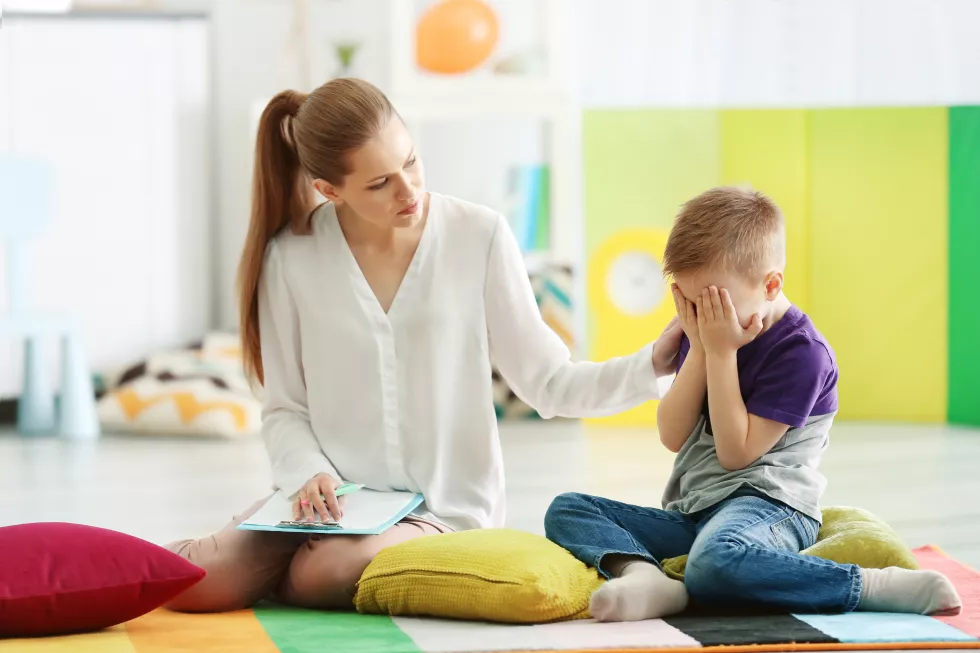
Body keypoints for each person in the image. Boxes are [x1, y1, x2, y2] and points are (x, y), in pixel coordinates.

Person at [164, 78, 683, 613]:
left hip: (441, 508)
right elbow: (285, 410)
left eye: (411, 162)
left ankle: (283, 572)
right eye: (380, 183)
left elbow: (549, 384)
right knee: (195, 583)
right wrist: (308, 474)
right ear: (329, 190)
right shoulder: (290, 257)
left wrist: (651, 364)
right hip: (328, 505)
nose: (408, 191)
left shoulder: (478, 236)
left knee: (325, 572)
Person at [544, 187, 963, 622]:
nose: (703, 315)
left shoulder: (801, 352)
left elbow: (736, 453)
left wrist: (720, 352)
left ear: (771, 285)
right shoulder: (711, 327)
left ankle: (867, 584)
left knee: (713, 564)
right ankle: (644, 576)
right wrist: (704, 349)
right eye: (690, 302)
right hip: (696, 513)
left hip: (771, 509)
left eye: (713, 303)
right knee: (568, 509)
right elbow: (672, 435)